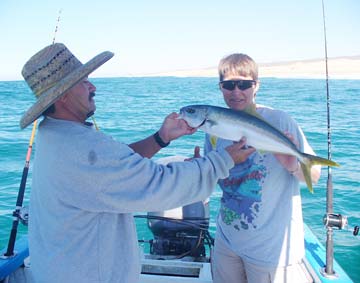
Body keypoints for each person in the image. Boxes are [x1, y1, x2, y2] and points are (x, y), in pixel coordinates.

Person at [20, 43, 250, 283]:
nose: (93, 87)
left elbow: (116, 164)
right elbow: (158, 186)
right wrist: (223, 160)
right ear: (64, 96)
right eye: (84, 82)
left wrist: (161, 138)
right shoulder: (82, 148)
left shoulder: (55, 135)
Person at [204, 53, 321, 283]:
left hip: (270, 250)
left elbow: (314, 176)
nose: (236, 92)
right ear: (220, 88)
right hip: (227, 242)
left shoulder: (280, 121)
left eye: (244, 84)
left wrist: (292, 164)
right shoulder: (214, 128)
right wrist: (199, 169)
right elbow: (215, 177)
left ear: (256, 86)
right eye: (229, 85)